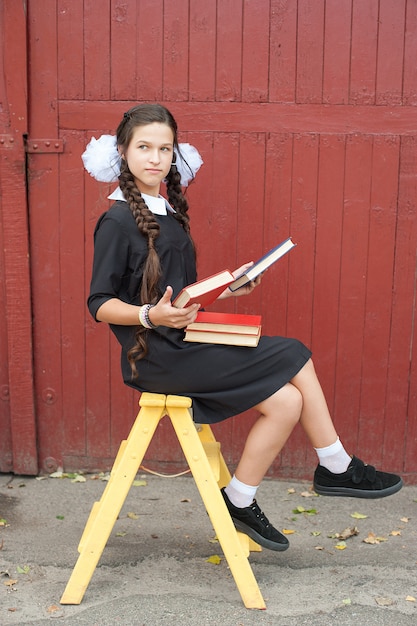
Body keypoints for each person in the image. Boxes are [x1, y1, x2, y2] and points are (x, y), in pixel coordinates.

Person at [85, 103, 402, 553]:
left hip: (186, 338)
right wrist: (150, 317)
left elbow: (180, 293)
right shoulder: (117, 220)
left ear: (175, 155)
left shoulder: (168, 213)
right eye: (144, 147)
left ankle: (239, 498)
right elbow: (99, 304)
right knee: (295, 351)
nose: (155, 158)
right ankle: (335, 465)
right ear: (123, 151)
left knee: (288, 401)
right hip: (157, 356)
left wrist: (230, 289)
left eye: (165, 148)